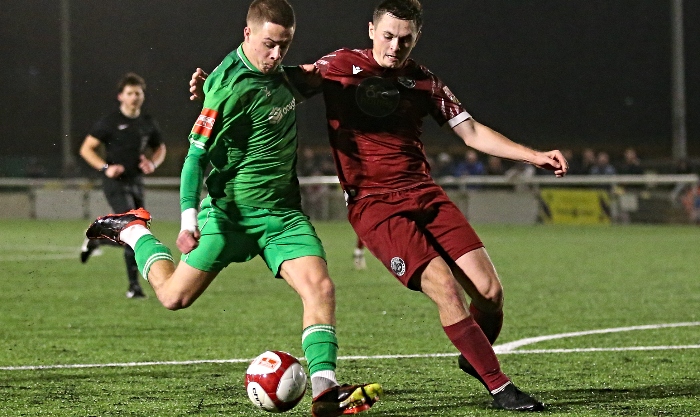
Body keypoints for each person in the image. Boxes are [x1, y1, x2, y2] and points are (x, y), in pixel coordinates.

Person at [190, 0, 568, 411]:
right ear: (371, 30)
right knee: (443, 285)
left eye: (405, 39)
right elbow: (268, 80)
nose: (394, 46)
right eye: (387, 36)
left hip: (425, 194)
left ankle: (473, 356)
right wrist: (216, 83)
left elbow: (472, 131)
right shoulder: (336, 68)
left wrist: (533, 155)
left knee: (490, 293)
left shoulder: (424, 82)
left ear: (416, 38)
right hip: (375, 206)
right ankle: (500, 388)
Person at [86, 2, 381, 416]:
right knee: (173, 298)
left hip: (281, 215)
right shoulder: (226, 87)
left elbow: (315, 76)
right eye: (269, 45)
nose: (277, 55)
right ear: (247, 35)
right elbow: (193, 159)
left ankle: (324, 393)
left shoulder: (277, 74)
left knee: (321, 288)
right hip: (229, 214)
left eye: (285, 46)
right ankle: (134, 231)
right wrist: (188, 222)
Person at [79, 72, 166, 299]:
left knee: (138, 230)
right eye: (130, 93)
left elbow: (160, 148)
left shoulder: (147, 123)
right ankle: (134, 287)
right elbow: (86, 148)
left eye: (138, 93)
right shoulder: (110, 122)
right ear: (120, 96)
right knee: (133, 226)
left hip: (136, 182)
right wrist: (105, 167)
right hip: (115, 183)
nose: (134, 97)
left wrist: (153, 163)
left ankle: (99, 239)